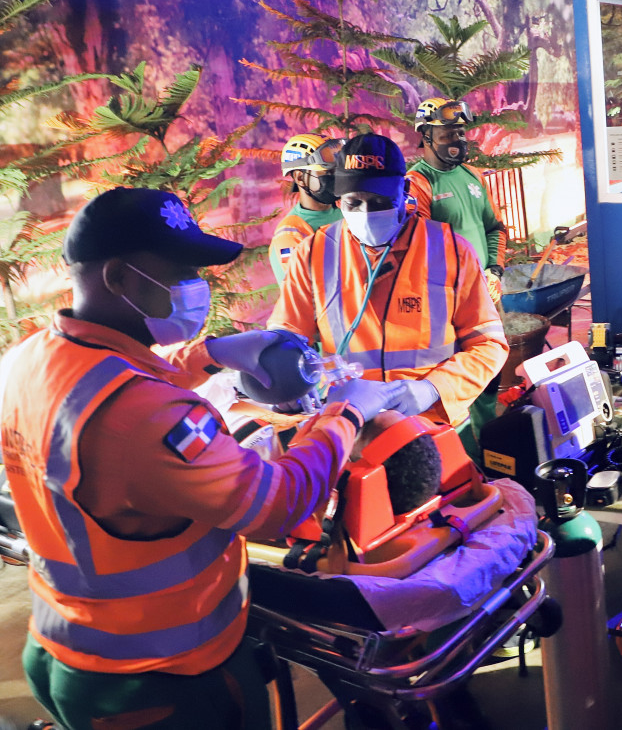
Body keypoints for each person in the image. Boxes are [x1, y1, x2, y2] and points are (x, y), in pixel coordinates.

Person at [0, 187, 396, 729]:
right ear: (117, 278)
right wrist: (344, 415)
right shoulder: (147, 416)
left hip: (65, 643)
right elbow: (276, 503)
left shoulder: (30, 358)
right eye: (181, 271)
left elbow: (117, 385)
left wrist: (210, 354)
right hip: (161, 677)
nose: (196, 286)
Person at [270, 133, 508, 449]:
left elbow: (489, 345)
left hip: (435, 426)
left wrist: (434, 389)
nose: (367, 214)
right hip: (353, 430)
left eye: (381, 202)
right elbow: (287, 339)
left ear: (404, 191)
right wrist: (285, 380)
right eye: (354, 203)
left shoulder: (450, 250)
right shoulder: (312, 254)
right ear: (338, 200)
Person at [407, 98, 508, 294]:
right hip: (448, 295)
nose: (457, 141)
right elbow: (421, 247)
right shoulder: (417, 183)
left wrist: (494, 271)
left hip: (485, 289)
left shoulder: (473, 175)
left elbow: (495, 227)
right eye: (447, 135)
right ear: (426, 138)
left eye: (460, 133)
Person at [269, 133, 342, 283]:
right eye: (328, 172)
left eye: (338, 171)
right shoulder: (290, 234)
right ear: (300, 177)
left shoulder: (346, 210)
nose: (337, 178)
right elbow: (307, 290)